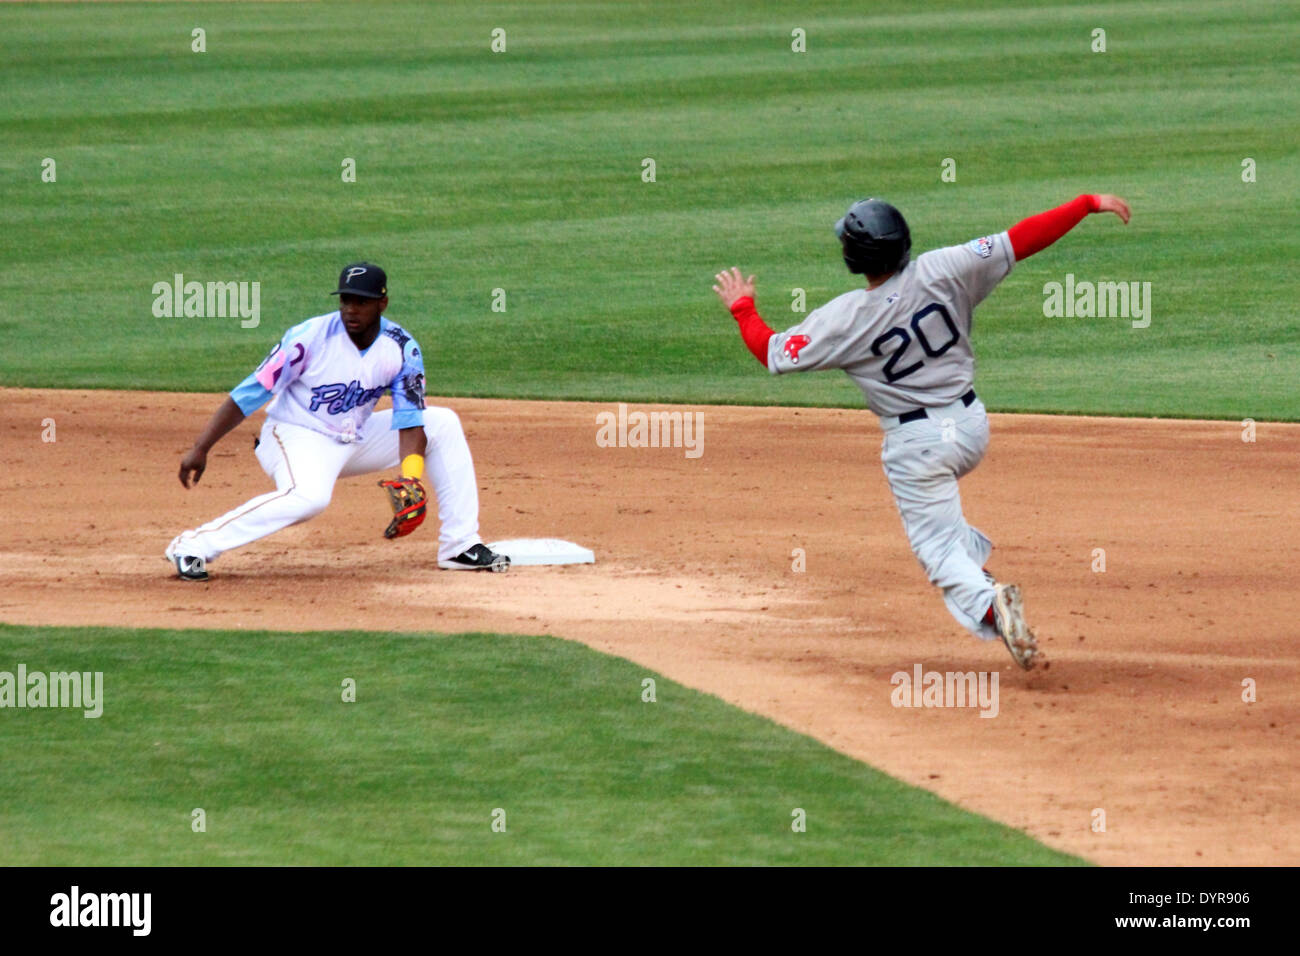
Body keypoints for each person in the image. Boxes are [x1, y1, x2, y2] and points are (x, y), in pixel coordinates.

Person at [712, 193, 1131, 669]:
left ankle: (991, 604)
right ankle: (978, 579)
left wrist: (743, 307)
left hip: (919, 446)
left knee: (934, 549)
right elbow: (1021, 239)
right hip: (971, 426)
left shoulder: (844, 318)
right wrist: (1086, 203)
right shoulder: (944, 268)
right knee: (948, 533)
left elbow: (772, 352)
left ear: (853, 259)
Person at [165, 262, 509, 581]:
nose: (351, 309)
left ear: (382, 304)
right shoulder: (309, 337)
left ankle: (460, 545)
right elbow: (251, 392)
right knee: (309, 498)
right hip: (293, 434)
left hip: (352, 438)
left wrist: (411, 478)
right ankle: (193, 545)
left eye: (361, 301)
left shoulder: (402, 347)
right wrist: (201, 446)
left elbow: (410, 418)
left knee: (442, 422)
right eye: (346, 300)